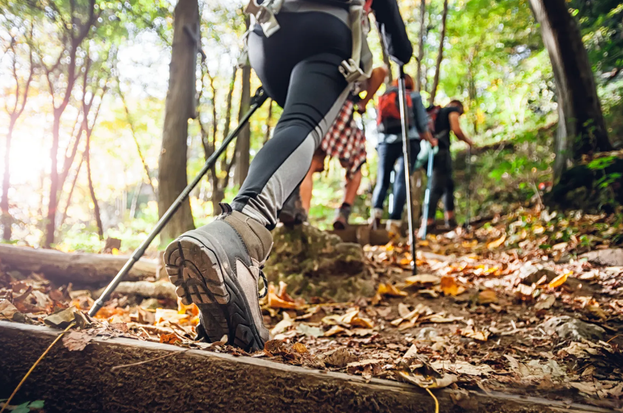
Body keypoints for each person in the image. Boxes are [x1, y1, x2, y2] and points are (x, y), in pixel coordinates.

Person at [163, 0, 412, 351]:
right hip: (326, 33)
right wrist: (401, 54)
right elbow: (394, 35)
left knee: (292, 124)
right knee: (301, 125)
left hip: (265, 37)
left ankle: (279, 215)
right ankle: (241, 235)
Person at [280, 66, 388, 230]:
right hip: (343, 117)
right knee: (355, 164)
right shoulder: (352, 64)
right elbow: (382, 71)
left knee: (309, 166)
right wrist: (363, 102)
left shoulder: (318, 67)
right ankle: (343, 211)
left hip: (319, 113)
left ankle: (302, 214)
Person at [370, 74, 433, 233]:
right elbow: (422, 124)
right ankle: (394, 222)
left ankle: (376, 214)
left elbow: (378, 124)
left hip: (385, 143)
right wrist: (431, 140)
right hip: (409, 141)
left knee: (383, 180)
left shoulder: (385, 96)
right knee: (402, 180)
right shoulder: (414, 96)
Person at [425, 99, 473, 231]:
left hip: (430, 152)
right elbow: (456, 129)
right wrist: (468, 141)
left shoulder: (437, 112)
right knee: (436, 186)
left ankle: (450, 219)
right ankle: (428, 222)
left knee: (448, 185)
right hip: (441, 151)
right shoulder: (452, 110)